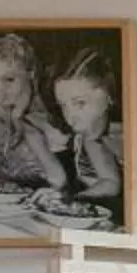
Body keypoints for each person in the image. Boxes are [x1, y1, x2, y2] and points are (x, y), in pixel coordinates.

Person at [0, 31, 68, 190]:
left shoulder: (60, 121)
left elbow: (62, 185)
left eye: (9, 80)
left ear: (31, 73)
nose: (1, 96)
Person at [49, 48, 124, 211]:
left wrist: (71, 199)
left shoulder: (102, 138)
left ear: (108, 96)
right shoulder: (82, 135)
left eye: (80, 103)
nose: (70, 116)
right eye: (63, 105)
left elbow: (111, 184)